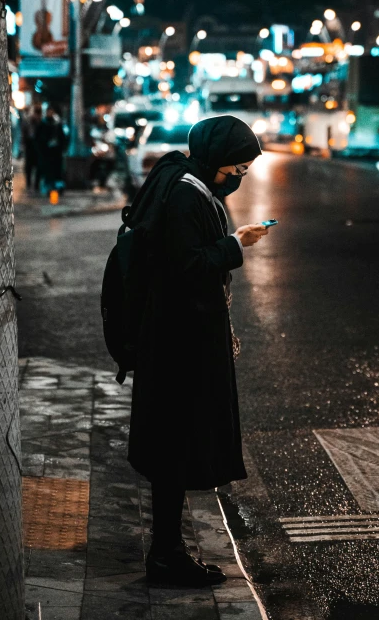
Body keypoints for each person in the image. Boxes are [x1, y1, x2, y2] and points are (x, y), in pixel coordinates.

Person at [126, 115, 270, 588]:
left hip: (177, 340)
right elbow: (185, 268)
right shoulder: (186, 196)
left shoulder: (185, 183)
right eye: (237, 170)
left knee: (174, 445)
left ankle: (168, 550)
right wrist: (234, 244)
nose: (238, 178)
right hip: (178, 345)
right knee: (175, 447)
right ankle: (166, 556)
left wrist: (232, 241)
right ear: (214, 161)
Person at [35, 105, 67, 195]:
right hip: (46, 153)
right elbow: (38, 138)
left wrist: (61, 147)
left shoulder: (57, 123)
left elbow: (62, 137)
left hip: (56, 152)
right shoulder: (43, 123)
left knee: (56, 170)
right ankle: (48, 187)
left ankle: (57, 187)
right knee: (47, 171)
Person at [21, 103, 43, 191]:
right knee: (29, 166)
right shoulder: (28, 121)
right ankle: (29, 183)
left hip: (37, 146)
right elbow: (24, 133)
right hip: (30, 145)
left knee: (37, 166)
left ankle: (35, 184)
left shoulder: (40, 121)